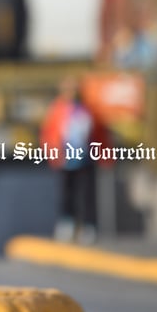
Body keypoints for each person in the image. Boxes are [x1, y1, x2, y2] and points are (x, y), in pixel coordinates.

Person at [40, 75, 111, 244]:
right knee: (66, 193)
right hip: (65, 159)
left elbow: (100, 134)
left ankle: (89, 226)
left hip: (86, 158)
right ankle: (67, 223)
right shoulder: (57, 109)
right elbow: (49, 133)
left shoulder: (88, 109)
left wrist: (105, 155)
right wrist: (52, 153)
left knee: (87, 194)